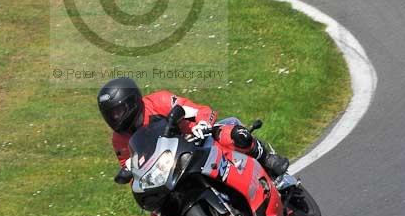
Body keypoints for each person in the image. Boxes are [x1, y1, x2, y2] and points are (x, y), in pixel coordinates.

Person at [97, 78, 289, 182]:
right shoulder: (119, 139)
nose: (115, 118)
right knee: (156, 210)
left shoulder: (160, 101)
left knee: (235, 135)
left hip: (195, 141)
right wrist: (131, 174)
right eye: (110, 114)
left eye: (118, 111)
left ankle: (266, 158)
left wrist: (202, 124)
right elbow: (129, 167)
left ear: (131, 101)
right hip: (170, 168)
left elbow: (201, 111)